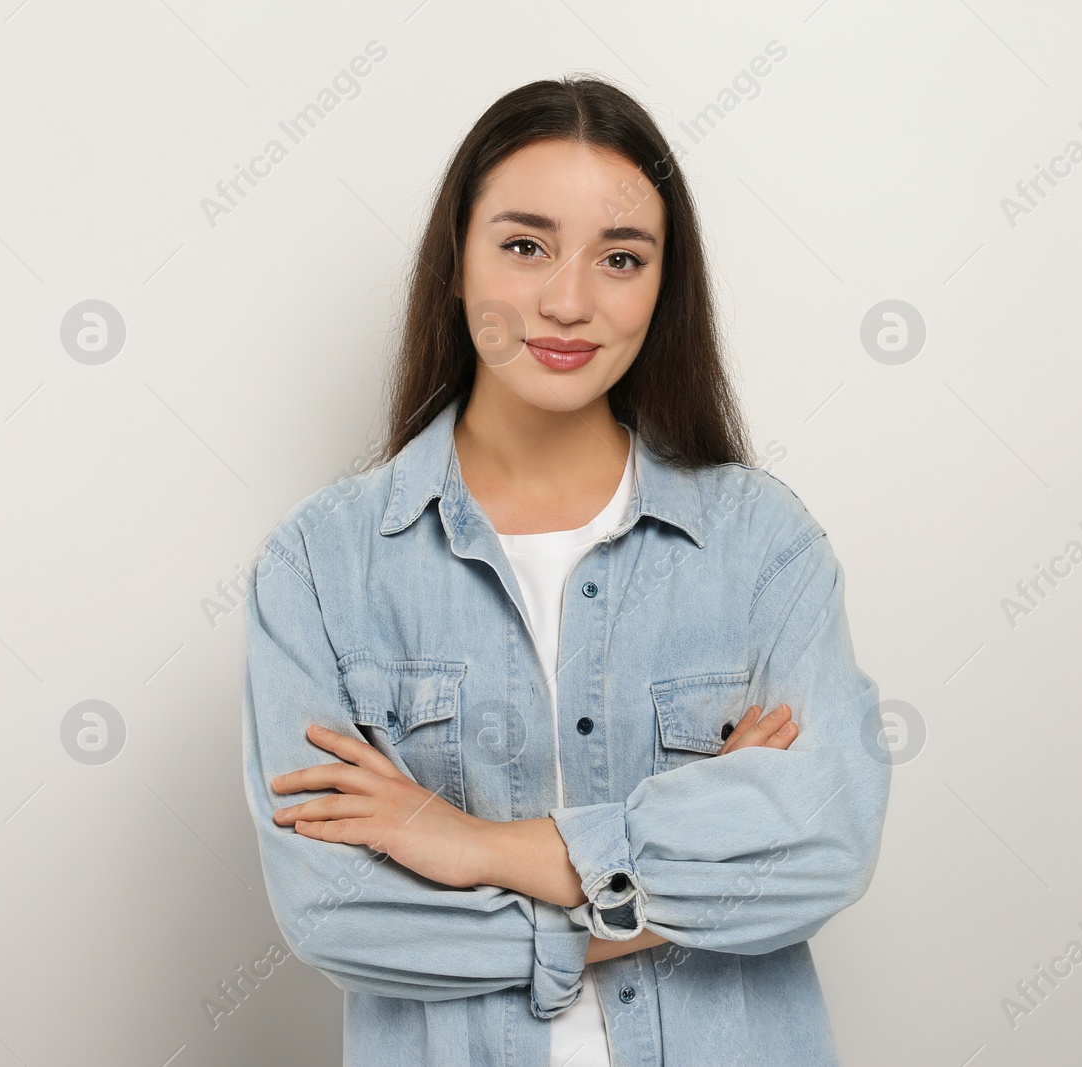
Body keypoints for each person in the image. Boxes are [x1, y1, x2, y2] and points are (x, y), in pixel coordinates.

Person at [240, 74, 891, 1067]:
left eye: (620, 258)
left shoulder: (760, 544)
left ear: (662, 287)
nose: (568, 301)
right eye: (524, 244)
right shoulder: (320, 567)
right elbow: (335, 911)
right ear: (454, 263)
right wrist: (680, 880)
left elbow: (824, 839)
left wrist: (478, 845)